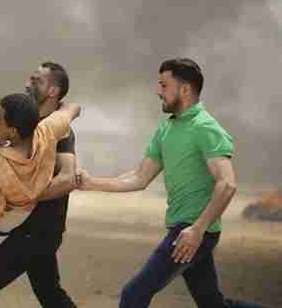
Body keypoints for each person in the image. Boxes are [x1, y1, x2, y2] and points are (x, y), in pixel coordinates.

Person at [77, 58, 266, 308]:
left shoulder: (206, 128)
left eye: (164, 85)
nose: (158, 92)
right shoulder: (166, 129)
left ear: (185, 89)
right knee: (213, 304)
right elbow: (139, 177)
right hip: (186, 229)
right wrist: (91, 183)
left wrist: (197, 230)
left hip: (191, 232)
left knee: (133, 295)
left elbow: (227, 184)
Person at [0, 62, 79, 307]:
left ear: (53, 91)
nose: (27, 84)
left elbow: (66, 179)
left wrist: (21, 195)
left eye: (36, 81)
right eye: (29, 79)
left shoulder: (58, 132)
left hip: (40, 229)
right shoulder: (24, 123)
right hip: (28, 228)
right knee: (50, 294)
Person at [0, 92, 80, 234]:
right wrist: (61, 106)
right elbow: (74, 109)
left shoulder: (0, 161)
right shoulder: (46, 130)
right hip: (24, 211)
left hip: (2, 223)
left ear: (13, 131)